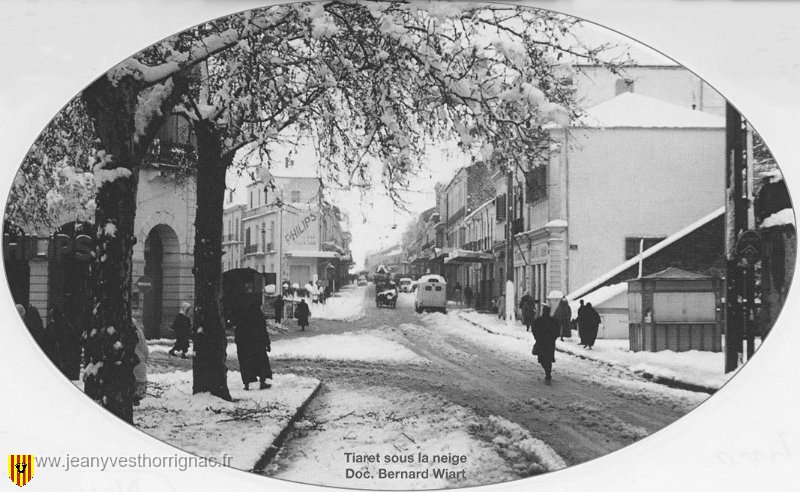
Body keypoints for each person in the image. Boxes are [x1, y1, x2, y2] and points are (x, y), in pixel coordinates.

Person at [233, 297, 272, 390]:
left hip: (244, 344)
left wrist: (238, 342)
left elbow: (238, 330)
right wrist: (267, 343)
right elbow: (262, 330)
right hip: (257, 343)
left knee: (246, 363)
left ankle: (247, 383)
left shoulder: (241, 314)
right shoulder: (258, 314)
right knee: (261, 363)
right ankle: (263, 382)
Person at [49, 306, 81, 380]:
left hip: (59, 358)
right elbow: (76, 341)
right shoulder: (68, 326)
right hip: (69, 358)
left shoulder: (53, 327)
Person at [531, 305, 560, 384]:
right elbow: (558, 330)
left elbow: (534, 329)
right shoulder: (554, 321)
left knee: (543, 359)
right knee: (548, 358)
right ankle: (548, 373)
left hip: (541, 343)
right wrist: (553, 338)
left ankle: (548, 374)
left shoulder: (539, 320)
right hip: (550, 343)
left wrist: (537, 337)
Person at [133, 318, 149, 405]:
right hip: (141, 364)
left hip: (134, 364)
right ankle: (136, 397)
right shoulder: (140, 334)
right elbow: (146, 351)